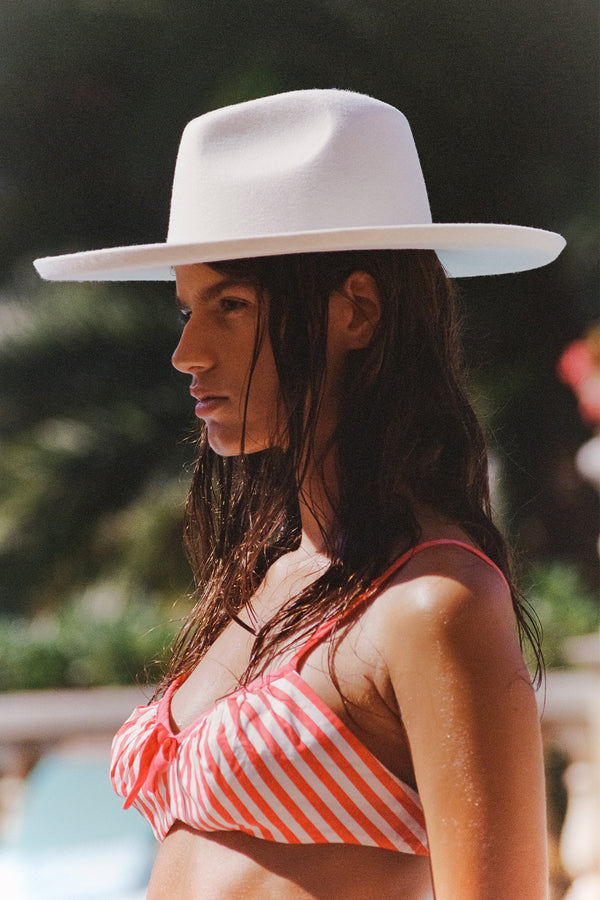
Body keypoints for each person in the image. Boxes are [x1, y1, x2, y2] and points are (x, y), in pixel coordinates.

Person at [35, 89, 565, 899]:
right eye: (186, 309)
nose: (186, 351)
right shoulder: (276, 576)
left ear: (356, 311)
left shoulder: (433, 604)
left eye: (230, 305)